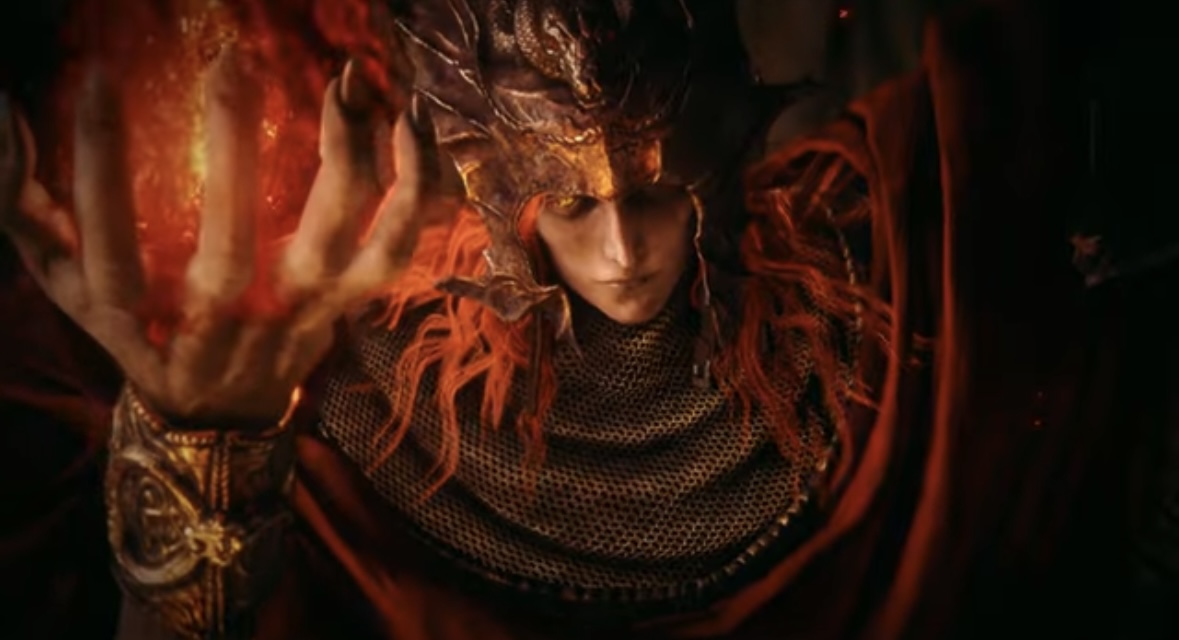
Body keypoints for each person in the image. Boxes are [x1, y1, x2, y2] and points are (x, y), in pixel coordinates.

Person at [0, 1, 1157, 639]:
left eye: (656, 194)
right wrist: (201, 452)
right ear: (496, 192)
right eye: (569, 203)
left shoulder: (872, 273)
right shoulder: (361, 393)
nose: (622, 251)